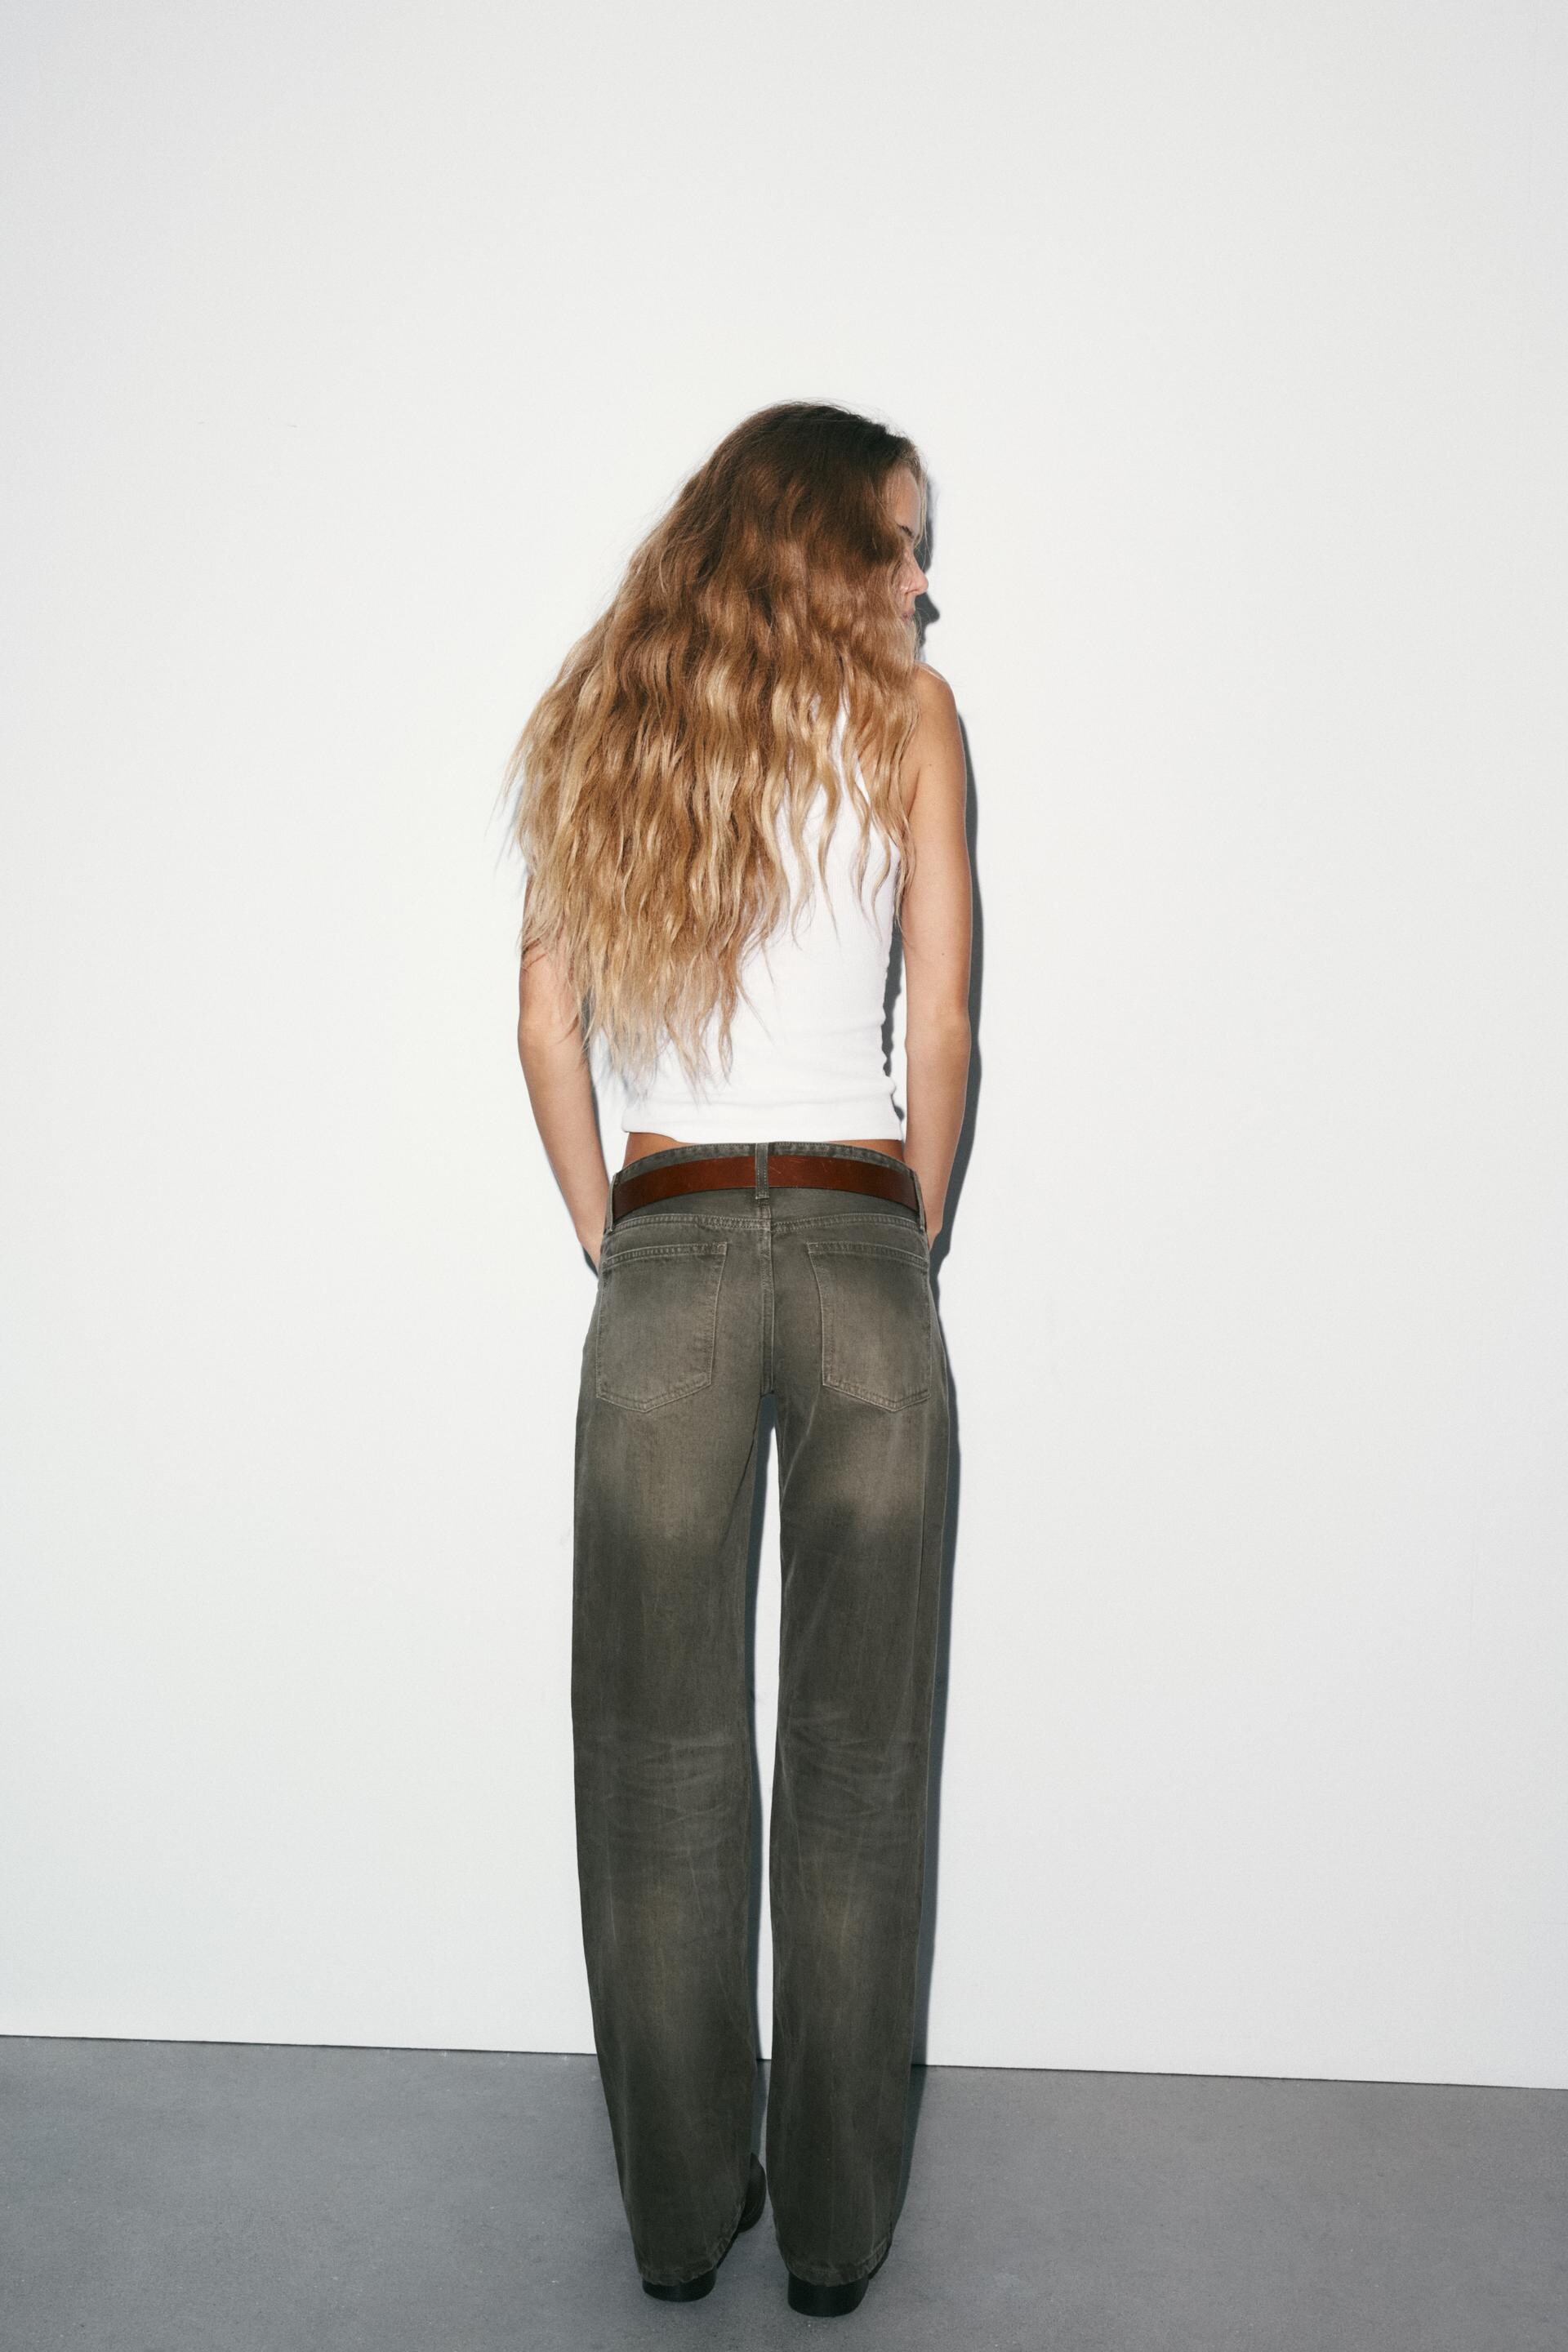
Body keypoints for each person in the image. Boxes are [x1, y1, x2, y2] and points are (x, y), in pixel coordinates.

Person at [502, 401, 972, 2318]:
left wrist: (610, 1236)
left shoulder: (614, 715)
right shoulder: (910, 723)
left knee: (657, 1766)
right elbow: (943, 1026)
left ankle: (685, 2220)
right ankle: (839, 2239)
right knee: (862, 1766)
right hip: (860, 1244)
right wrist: (904, 1242)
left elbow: (544, 1028)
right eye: (900, 542)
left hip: (672, 1246)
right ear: (819, 538)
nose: (922, 582)